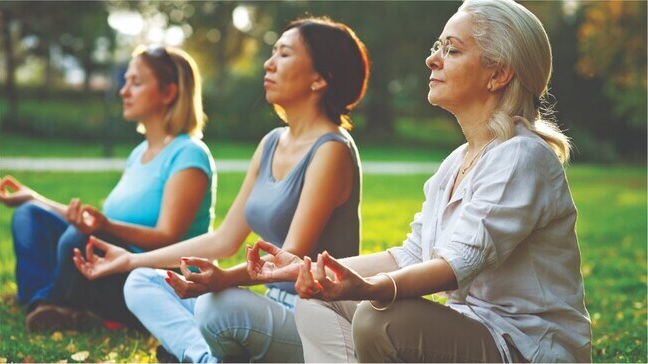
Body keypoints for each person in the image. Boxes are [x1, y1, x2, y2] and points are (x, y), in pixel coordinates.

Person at [248, 0, 592, 362]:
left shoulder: (522, 156)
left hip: (526, 347)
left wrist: (370, 287)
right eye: (437, 47)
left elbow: (456, 265)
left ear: (498, 74)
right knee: (317, 301)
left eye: (453, 49)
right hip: (474, 326)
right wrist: (312, 271)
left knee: (381, 319)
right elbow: (411, 255)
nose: (433, 59)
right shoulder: (456, 162)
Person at [72, 17, 370, 363]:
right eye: (272, 52)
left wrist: (224, 279)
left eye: (284, 54)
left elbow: (291, 256)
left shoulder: (331, 150)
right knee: (142, 282)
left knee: (219, 304)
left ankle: (197, 352)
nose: (268, 63)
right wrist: (130, 259)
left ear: (319, 78)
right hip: (270, 306)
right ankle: (205, 357)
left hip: (316, 319)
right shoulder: (272, 142)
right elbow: (223, 240)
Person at [0, 45, 215, 332]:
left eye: (136, 83)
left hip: (154, 280)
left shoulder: (189, 154)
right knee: (30, 215)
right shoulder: (138, 154)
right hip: (113, 265)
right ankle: (46, 305)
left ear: (168, 93)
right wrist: (35, 197)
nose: (124, 91)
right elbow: (96, 224)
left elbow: (169, 237)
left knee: (82, 237)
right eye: (126, 81)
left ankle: (58, 304)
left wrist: (104, 226)